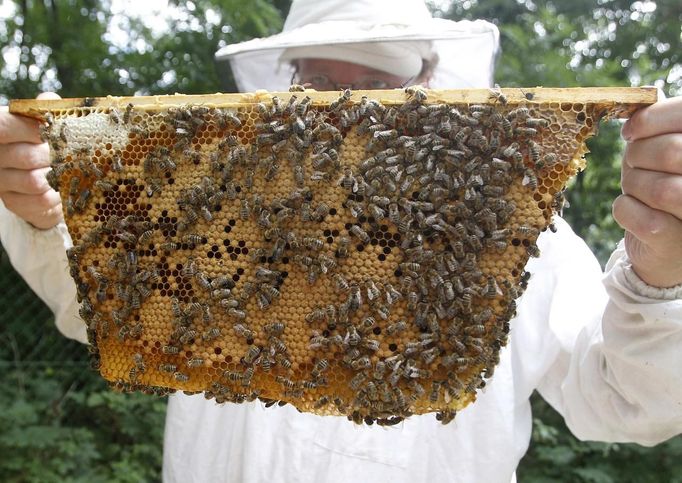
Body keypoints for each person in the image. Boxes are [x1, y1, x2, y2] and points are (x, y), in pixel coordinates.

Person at [1, 0, 682, 481]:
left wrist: (660, 268)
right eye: (323, 80)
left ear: (424, 86)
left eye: (379, 84)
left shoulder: (514, 232)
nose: (347, 110)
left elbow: (622, 401)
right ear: (291, 85)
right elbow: (108, 302)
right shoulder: (200, 211)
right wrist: (40, 213)